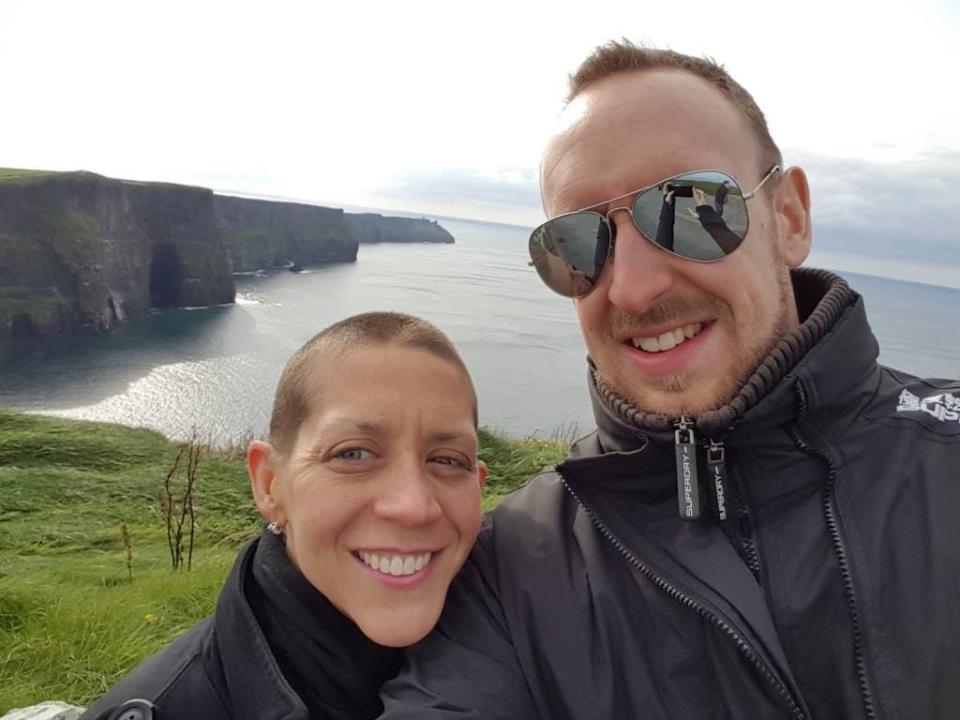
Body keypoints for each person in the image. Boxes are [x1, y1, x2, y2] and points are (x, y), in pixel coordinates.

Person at [380, 41, 960, 719]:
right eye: (577, 244)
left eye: (688, 208)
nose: (630, 288)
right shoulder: (513, 570)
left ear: (789, 219)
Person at [81, 312, 487, 720]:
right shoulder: (174, 706)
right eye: (353, 454)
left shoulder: (517, 649)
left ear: (479, 485)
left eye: (448, 461)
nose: (413, 507)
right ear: (269, 484)